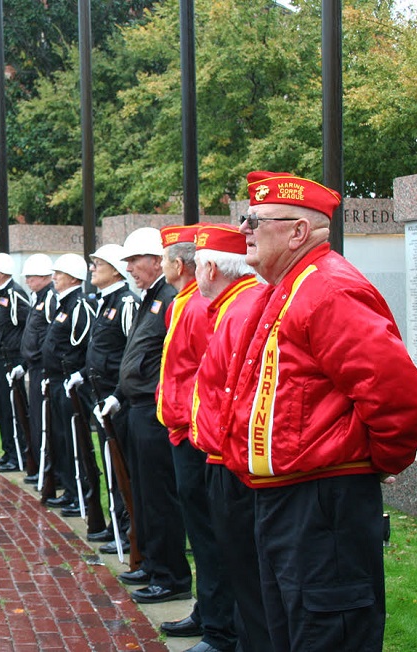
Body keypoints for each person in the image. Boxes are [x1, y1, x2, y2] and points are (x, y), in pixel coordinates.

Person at [219, 171, 417, 651]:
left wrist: (371, 464)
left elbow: (402, 399)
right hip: (288, 503)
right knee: (291, 634)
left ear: (298, 231)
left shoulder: (327, 290)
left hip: (320, 507)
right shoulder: (291, 286)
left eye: (255, 220)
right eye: (244, 219)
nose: (244, 230)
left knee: (326, 635)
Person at [189, 223, 272, 652]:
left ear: (209, 266)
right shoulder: (231, 306)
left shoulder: (240, 308)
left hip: (233, 463)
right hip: (225, 457)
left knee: (246, 574)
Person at [155, 225, 236, 652]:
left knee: (209, 535)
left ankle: (220, 629)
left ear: (182, 264)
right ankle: (209, 613)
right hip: (183, 431)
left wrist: (189, 424)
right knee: (201, 533)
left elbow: (208, 372)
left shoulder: (198, 307)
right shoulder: (185, 303)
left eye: (165, 257)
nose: (160, 264)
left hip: (194, 435)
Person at [100, 226, 192, 605]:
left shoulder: (168, 298)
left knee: (159, 498)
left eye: (135, 260)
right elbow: (137, 355)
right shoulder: (149, 298)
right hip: (136, 408)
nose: (129, 268)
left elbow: (169, 361)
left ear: (158, 261)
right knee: (142, 492)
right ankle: (153, 563)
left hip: (155, 413)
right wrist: (120, 394)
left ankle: (170, 575)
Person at [82, 244, 138, 550]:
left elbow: (130, 353)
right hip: (102, 396)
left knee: (123, 466)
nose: (92, 269)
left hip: (120, 401)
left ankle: (129, 528)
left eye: (97, 264)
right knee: (110, 464)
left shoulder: (126, 302)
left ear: (115, 269)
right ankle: (118, 523)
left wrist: (118, 395)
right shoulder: (107, 302)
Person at [40, 253, 95, 518]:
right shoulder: (64, 304)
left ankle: (82, 494)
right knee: (62, 439)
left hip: (71, 382)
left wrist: (77, 375)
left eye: (59, 274)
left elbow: (84, 346)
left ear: (73, 277)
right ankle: (71, 492)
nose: (54, 278)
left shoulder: (79, 305)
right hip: (58, 380)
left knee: (75, 441)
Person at [0, 253, 30, 472]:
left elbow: (26, 324)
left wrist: (19, 355)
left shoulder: (15, 294)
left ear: (1, 273)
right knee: (1, 409)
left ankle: (17, 455)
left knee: (13, 410)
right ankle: (9, 450)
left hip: (9, 359)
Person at [12, 254, 55, 484]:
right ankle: (41, 468)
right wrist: (25, 363)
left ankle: (49, 471)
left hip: (43, 369)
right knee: (37, 421)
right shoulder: (38, 297)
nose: (27, 281)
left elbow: (49, 337)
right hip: (34, 367)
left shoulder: (50, 299)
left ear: (45, 276)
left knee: (44, 422)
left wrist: (38, 361)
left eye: (31, 277)